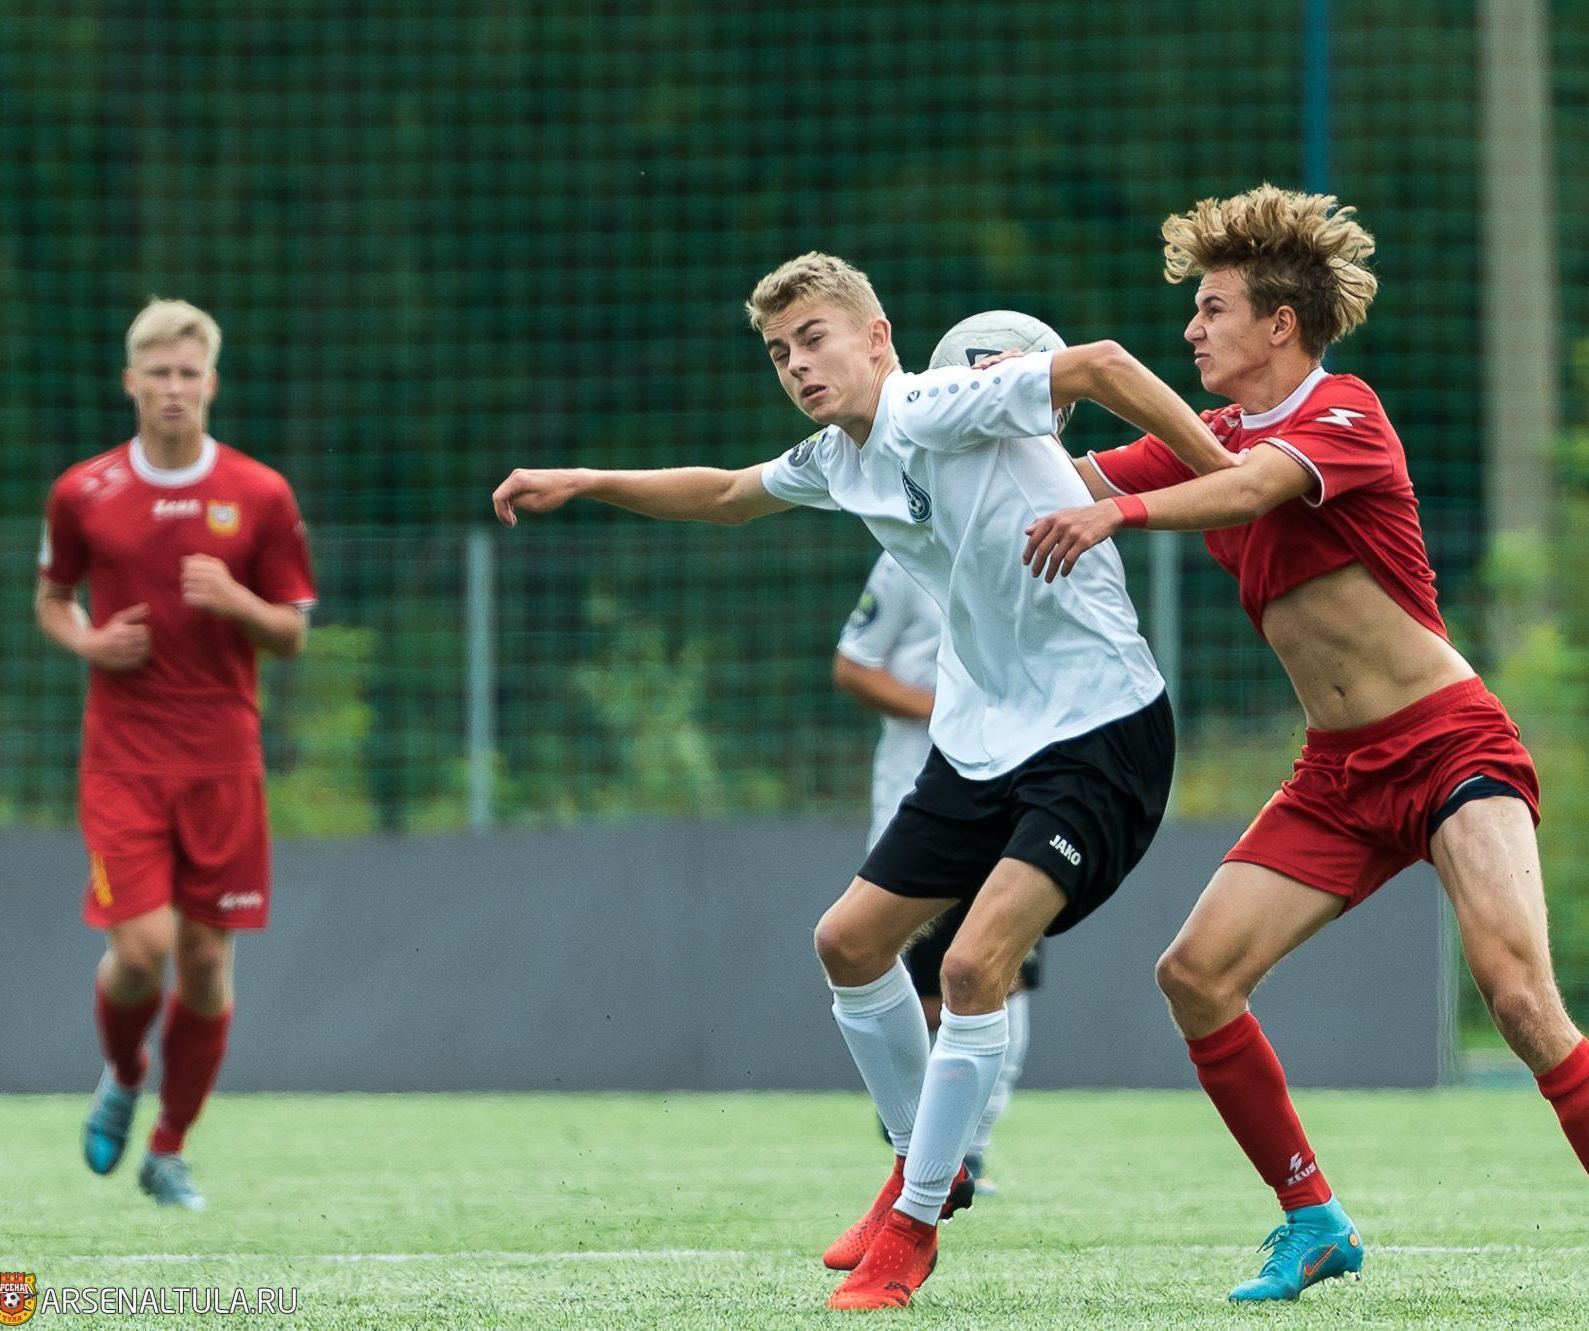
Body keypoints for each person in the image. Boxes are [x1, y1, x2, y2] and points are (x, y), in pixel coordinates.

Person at [492, 254, 1228, 1310]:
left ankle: (913, 1224)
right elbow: (729, 493)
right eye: (778, 350)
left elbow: (1104, 364)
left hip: (1099, 729)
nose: (797, 363)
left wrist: (1226, 483)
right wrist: (587, 480)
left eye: (814, 337)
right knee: (846, 942)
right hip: (981, 737)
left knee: (972, 966)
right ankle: (920, 1163)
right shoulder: (841, 456)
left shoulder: (941, 402)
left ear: (878, 337)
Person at [1022, 184, 1589, 1304]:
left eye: (1211, 308)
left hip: (1449, 747)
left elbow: (1248, 489)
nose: (1190, 330)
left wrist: (1119, 512)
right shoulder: (1207, 439)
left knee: (1517, 996)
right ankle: (1313, 1220)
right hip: (1337, 776)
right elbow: (1056, 485)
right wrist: (943, 427)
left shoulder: (1343, 413)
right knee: (1195, 976)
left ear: (1278, 323)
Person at [39, 299, 318, 1211]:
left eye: (187, 373)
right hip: (122, 759)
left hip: (223, 761)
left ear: (211, 383)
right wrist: (89, 642)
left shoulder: (260, 493)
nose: (172, 388)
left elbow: (292, 632)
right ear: (130, 381)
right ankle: (125, 1072)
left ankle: (168, 1148)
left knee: (203, 963)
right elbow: (52, 598)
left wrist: (237, 603)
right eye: (157, 373)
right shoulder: (84, 491)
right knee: (143, 948)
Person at [832, 313, 1068, 1195]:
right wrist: (947, 704)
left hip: (1019, 782)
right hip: (920, 786)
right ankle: (919, 1142)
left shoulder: (1054, 516)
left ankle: (967, 1151)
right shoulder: (910, 540)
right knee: (920, 973)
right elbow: (852, 663)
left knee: (1004, 969)